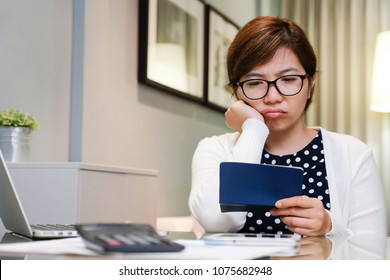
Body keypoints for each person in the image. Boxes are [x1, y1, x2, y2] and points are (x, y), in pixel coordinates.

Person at [189, 16, 387, 238]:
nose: (273, 97)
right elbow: (217, 220)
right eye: (254, 82)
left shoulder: (353, 154)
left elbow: (372, 250)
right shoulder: (214, 150)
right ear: (237, 90)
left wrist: (329, 226)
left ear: (311, 83)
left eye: (289, 79)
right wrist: (253, 129)